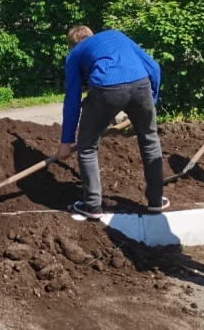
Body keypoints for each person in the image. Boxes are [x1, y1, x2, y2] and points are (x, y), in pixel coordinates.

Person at [57, 26, 168, 219]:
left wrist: (66, 142)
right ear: (91, 36)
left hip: (105, 89)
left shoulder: (75, 54)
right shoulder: (116, 36)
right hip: (141, 84)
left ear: (72, 45)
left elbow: (72, 98)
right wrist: (152, 100)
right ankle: (156, 201)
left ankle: (92, 206)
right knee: (150, 140)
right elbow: (154, 68)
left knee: (87, 147)